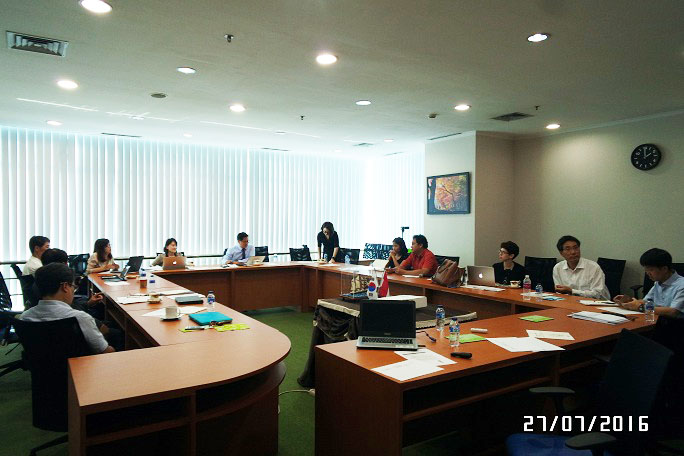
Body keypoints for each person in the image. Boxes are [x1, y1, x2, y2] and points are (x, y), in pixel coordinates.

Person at [19, 263, 115, 354]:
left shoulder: (24, 317)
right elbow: (105, 351)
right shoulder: (80, 318)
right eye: (73, 286)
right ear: (65, 287)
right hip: (79, 365)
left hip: (41, 366)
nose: (73, 290)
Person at [614, 248, 683, 317]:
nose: (647, 273)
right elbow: (646, 301)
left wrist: (640, 307)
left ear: (664, 269)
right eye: (646, 270)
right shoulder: (658, 282)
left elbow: (673, 311)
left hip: (673, 322)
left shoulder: (681, 285)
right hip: (656, 318)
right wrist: (628, 301)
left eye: (651, 270)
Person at [552, 235, 610, 300]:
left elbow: (598, 294)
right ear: (561, 253)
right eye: (568, 249)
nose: (573, 252)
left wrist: (572, 291)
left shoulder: (593, 267)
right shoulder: (558, 268)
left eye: (575, 248)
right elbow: (559, 292)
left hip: (597, 303)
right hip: (569, 302)